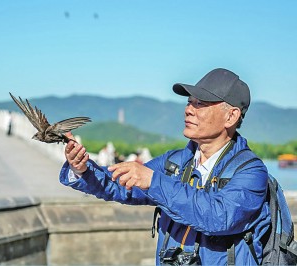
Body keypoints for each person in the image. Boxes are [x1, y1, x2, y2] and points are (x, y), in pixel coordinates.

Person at [60, 68, 271, 265]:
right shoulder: (174, 162)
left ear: (231, 116)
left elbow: (219, 217)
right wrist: (82, 169)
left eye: (201, 104)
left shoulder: (251, 172)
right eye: (189, 102)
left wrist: (154, 181)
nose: (189, 109)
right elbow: (120, 185)